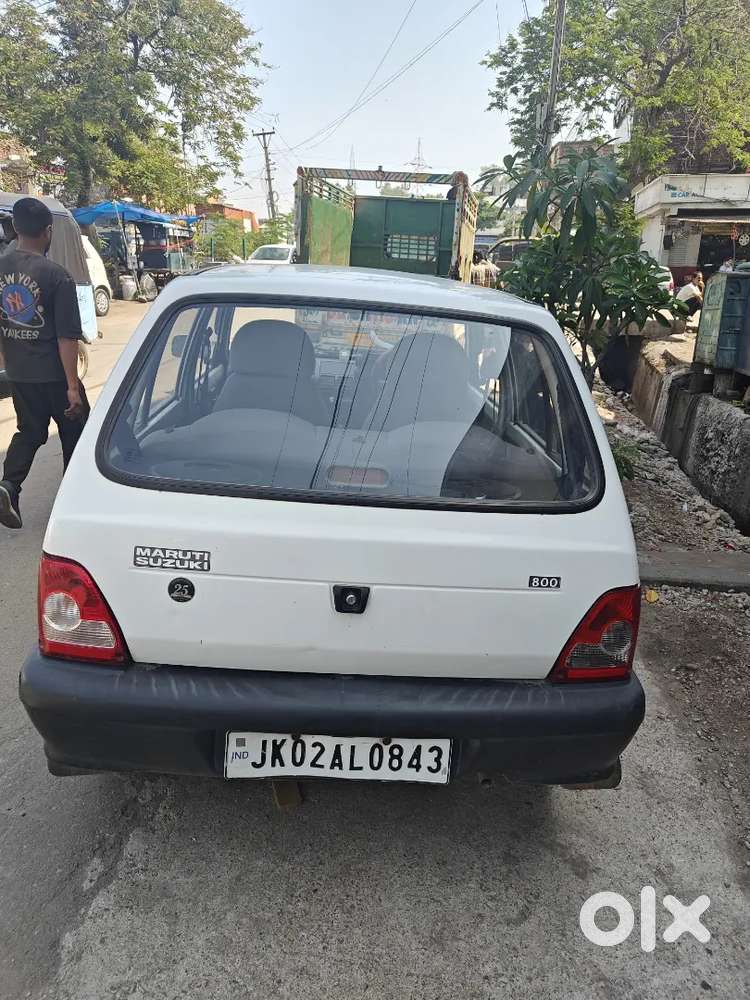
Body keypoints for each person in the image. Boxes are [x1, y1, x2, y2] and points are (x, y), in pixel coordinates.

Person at [0, 197, 89, 529]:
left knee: (30, 430)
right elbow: (67, 338)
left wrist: (10, 358)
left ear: (15, 229)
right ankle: (74, 503)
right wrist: (72, 387)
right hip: (53, 373)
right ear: (48, 231)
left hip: (20, 373)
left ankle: (9, 486)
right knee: (76, 431)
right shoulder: (56, 276)